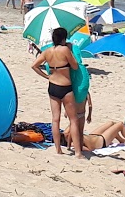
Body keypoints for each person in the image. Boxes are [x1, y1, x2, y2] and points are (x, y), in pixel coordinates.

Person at [32, 26, 86, 158]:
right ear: (64, 38)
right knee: (73, 120)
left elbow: (34, 65)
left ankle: (58, 149)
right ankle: (78, 153)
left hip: (52, 86)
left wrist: (47, 76)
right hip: (65, 87)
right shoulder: (65, 49)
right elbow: (74, 66)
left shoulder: (47, 51)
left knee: (55, 120)